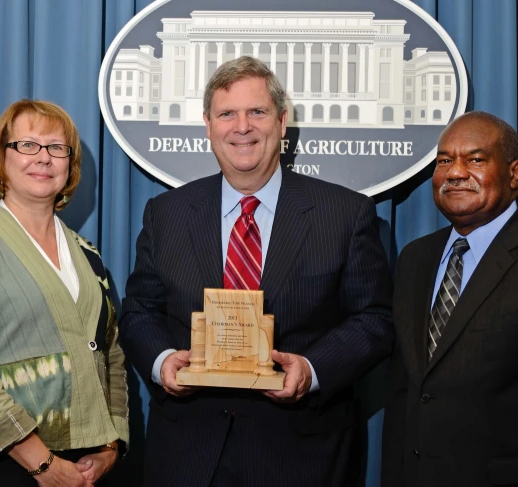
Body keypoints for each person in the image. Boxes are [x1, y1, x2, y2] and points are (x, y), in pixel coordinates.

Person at [119, 56, 394, 487]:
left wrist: (312, 368)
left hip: (302, 455)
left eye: (257, 112)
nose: (242, 126)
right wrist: (161, 361)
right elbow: (138, 311)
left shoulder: (345, 213)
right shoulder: (165, 214)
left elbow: (374, 320)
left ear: (282, 122)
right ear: (208, 125)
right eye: (227, 113)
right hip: (188, 453)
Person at [0, 99, 128, 486]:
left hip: (84, 464)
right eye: (28, 145)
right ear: (0, 159)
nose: (44, 158)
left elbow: (111, 354)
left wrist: (110, 442)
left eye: (57, 147)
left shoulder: (87, 254)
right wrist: (42, 463)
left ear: (69, 164)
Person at [381, 111, 518, 486]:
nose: (454, 172)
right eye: (445, 161)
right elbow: (406, 392)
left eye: (476, 159)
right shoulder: (415, 258)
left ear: (514, 173)